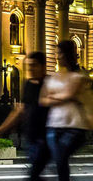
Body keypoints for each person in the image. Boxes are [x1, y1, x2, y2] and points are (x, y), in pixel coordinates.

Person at [0, 52, 49, 180]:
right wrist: (0, 129)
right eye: (29, 66)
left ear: (43, 66)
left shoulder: (50, 84)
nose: (31, 69)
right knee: (35, 174)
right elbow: (19, 110)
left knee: (35, 173)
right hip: (31, 136)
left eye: (34, 65)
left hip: (46, 137)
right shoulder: (29, 84)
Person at [39, 40, 90, 181]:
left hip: (74, 127)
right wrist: (62, 97)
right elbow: (42, 100)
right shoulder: (53, 77)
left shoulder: (78, 76)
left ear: (67, 55)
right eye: (57, 53)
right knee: (60, 162)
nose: (57, 57)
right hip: (53, 126)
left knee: (61, 159)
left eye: (60, 53)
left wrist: (53, 97)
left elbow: (69, 94)